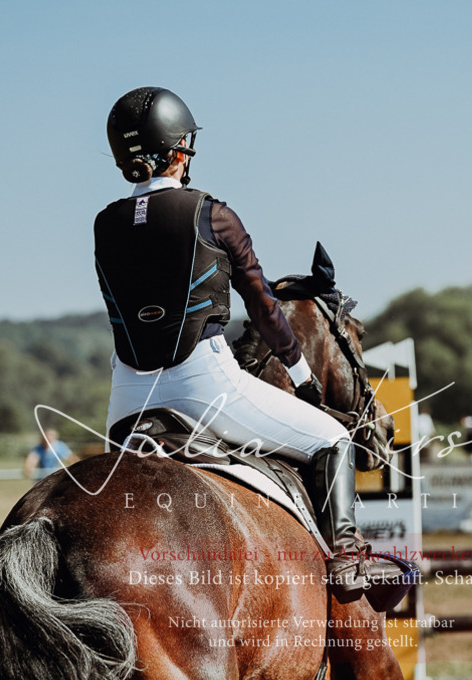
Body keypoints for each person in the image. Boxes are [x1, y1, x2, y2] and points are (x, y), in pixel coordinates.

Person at [95, 86, 405, 602]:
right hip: (205, 388)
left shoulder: (104, 224)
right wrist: (301, 376)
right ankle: (348, 557)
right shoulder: (212, 214)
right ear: (176, 152)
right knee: (334, 440)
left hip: (126, 400)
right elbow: (262, 306)